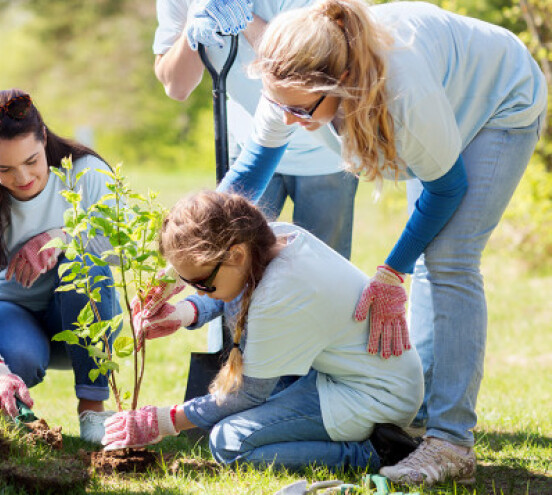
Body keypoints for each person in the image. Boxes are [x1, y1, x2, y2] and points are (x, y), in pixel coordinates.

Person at [211, 0, 546, 485]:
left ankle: (451, 442)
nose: (288, 118)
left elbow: (446, 188)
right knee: (432, 254)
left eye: (301, 109)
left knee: (448, 260)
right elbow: (251, 172)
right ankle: (417, 422)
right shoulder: (288, 80)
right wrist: (193, 246)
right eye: (279, 104)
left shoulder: (402, 94)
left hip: (498, 100)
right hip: (440, 101)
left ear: (341, 82)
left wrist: (391, 272)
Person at [103, 191, 424, 473]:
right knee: (236, 421)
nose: (198, 291)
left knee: (228, 441)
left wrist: (162, 421)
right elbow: (233, 288)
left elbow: (247, 395)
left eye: (201, 283)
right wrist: (181, 312)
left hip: (374, 397)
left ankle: (374, 451)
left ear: (236, 255)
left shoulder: (279, 293)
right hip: (357, 377)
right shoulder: (273, 239)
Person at [0, 89, 122, 443]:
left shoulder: (85, 173)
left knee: (85, 266)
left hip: (83, 317)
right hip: (15, 317)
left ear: (43, 136)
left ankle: (92, 410)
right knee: (17, 357)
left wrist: (62, 237)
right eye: (4, 169)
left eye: (31, 161)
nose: (23, 178)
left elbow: (125, 248)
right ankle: (18, 412)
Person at [153, 0, 358, 259]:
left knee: (323, 264)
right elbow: (177, 87)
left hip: (323, 150)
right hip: (252, 141)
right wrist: (194, 23)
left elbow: (304, 64)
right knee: (238, 259)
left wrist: (245, 18)